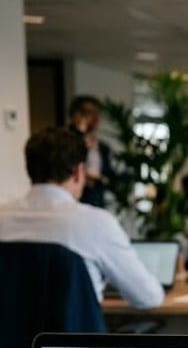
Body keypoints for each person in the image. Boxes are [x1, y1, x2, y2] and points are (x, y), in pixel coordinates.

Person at [0, 127, 164, 309]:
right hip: (73, 328)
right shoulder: (97, 223)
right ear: (79, 172)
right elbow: (148, 297)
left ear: (29, 170)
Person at [68, 95, 115, 209]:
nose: (95, 119)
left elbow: (109, 174)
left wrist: (100, 178)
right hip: (74, 204)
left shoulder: (103, 148)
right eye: (89, 113)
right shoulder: (66, 143)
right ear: (76, 115)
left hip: (97, 202)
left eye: (97, 114)